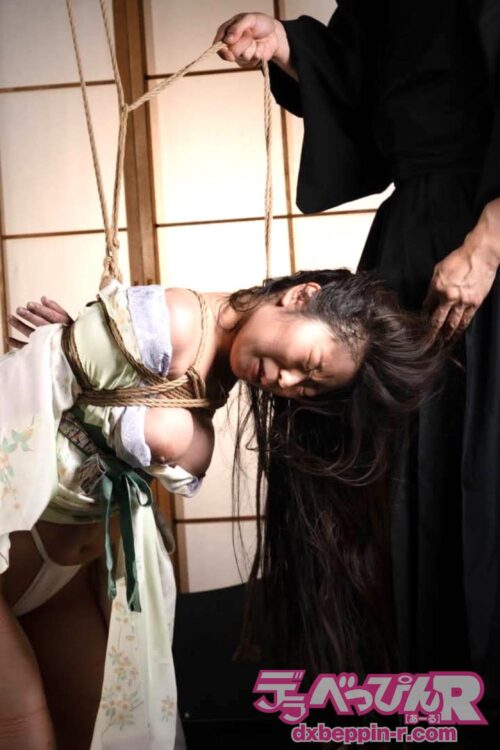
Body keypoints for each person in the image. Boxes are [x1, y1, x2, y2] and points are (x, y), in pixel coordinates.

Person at [0, 268, 445, 749]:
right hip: (17, 545)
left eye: (310, 387)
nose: (288, 381)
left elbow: (129, 415)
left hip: (60, 581)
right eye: (308, 363)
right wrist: (68, 350)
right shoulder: (174, 322)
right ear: (301, 296)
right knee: (27, 731)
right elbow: (51, 390)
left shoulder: (214, 376)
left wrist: (92, 365)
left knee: (97, 731)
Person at [213, 2, 500, 744]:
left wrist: (491, 237)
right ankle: (419, 710)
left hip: (490, 231)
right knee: (392, 490)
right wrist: (288, 45)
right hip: (408, 252)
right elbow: (361, 75)